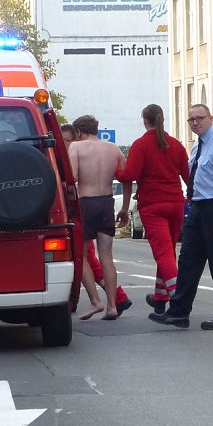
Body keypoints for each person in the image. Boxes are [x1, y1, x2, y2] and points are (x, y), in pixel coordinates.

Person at [149, 103, 213, 330]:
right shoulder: (197, 146)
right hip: (198, 206)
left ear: (210, 118)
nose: (195, 123)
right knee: (188, 260)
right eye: (191, 119)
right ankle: (179, 312)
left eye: (200, 118)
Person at [115, 104, 190, 315]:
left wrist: (116, 170)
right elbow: (187, 176)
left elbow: (129, 174)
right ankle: (160, 296)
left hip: (153, 205)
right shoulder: (176, 145)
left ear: (144, 121)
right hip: (176, 203)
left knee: (163, 253)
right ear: (162, 120)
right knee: (167, 251)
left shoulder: (141, 145)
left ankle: (177, 299)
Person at [61, 124, 132, 315]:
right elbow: (127, 178)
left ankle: (95, 301)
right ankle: (112, 306)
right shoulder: (113, 148)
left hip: (86, 203)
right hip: (107, 202)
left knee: (81, 254)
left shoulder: (76, 147)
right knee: (106, 256)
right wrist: (125, 208)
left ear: (78, 132)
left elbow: (72, 177)